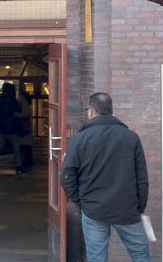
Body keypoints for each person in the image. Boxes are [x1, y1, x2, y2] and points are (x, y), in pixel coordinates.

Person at [61, 92, 150, 262]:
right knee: (140, 254)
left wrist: (80, 200)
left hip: (93, 208)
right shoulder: (131, 137)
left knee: (96, 257)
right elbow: (142, 178)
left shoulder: (79, 139)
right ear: (111, 111)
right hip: (127, 208)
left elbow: (67, 176)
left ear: (91, 112)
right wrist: (140, 206)